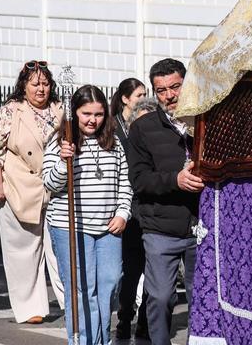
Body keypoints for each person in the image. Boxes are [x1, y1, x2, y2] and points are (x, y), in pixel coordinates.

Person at [43, 84, 132, 345]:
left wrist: (123, 213)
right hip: (70, 226)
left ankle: (100, 338)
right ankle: (83, 341)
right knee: (82, 289)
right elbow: (50, 183)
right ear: (75, 113)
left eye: (99, 114)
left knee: (109, 283)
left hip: (108, 227)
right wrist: (63, 161)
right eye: (86, 114)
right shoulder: (59, 143)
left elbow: (124, 181)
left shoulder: (114, 143)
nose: (93, 120)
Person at [0, 60, 66, 324]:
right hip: (17, 187)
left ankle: (71, 302)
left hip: (53, 187)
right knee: (23, 251)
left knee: (58, 248)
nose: (41, 89)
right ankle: (31, 308)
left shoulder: (59, 111)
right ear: (24, 86)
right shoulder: (10, 111)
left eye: (45, 83)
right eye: (35, 84)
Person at [128, 59, 202, 345]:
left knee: (202, 298)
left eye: (175, 87)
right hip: (160, 227)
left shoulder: (203, 119)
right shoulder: (142, 129)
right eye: (161, 90)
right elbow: (140, 179)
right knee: (159, 298)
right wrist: (175, 180)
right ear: (154, 92)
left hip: (200, 226)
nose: (170, 95)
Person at [110, 78, 149, 341]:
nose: (143, 98)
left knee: (153, 274)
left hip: (148, 207)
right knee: (131, 270)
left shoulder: (148, 124)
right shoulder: (113, 127)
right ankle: (125, 318)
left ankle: (145, 322)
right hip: (128, 208)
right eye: (139, 94)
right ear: (125, 98)